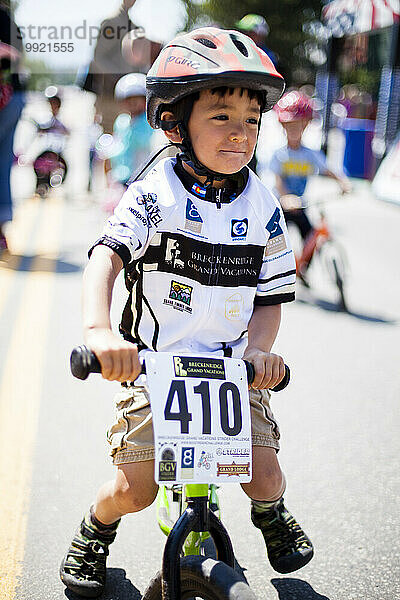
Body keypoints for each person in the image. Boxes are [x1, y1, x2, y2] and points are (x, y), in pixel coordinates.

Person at [60, 27, 313, 598]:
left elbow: (270, 297)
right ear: (177, 123)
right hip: (154, 366)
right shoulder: (154, 195)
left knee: (265, 474)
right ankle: (96, 527)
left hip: (229, 369)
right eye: (221, 117)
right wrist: (101, 335)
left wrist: (260, 350)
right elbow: (105, 261)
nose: (241, 134)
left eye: (252, 120)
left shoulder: (263, 205)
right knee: (136, 489)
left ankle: (270, 514)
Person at [270, 90, 350, 282]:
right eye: (289, 126)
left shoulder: (310, 154)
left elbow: (327, 170)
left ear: (306, 125)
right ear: (283, 127)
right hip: (282, 207)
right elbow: (277, 179)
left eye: (298, 125)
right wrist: (285, 197)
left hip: (301, 205)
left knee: (311, 236)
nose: (294, 130)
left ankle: (303, 269)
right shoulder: (280, 155)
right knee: (276, 242)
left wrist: (342, 182)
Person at [0, 1, 25, 251]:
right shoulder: (8, 18)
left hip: (5, 98)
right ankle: (1, 231)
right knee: (3, 165)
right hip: (14, 97)